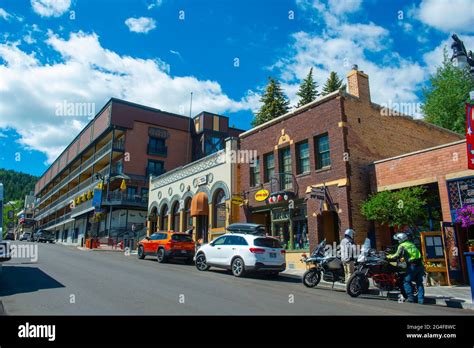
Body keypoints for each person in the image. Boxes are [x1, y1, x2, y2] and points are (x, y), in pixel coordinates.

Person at [386, 232, 425, 304]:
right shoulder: (411, 244)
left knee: (406, 281)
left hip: (413, 266)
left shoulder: (402, 245)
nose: (397, 241)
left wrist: (387, 256)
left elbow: (396, 256)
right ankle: (421, 300)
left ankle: (410, 298)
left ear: (401, 239)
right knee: (419, 283)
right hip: (420, 265)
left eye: (398, 239)